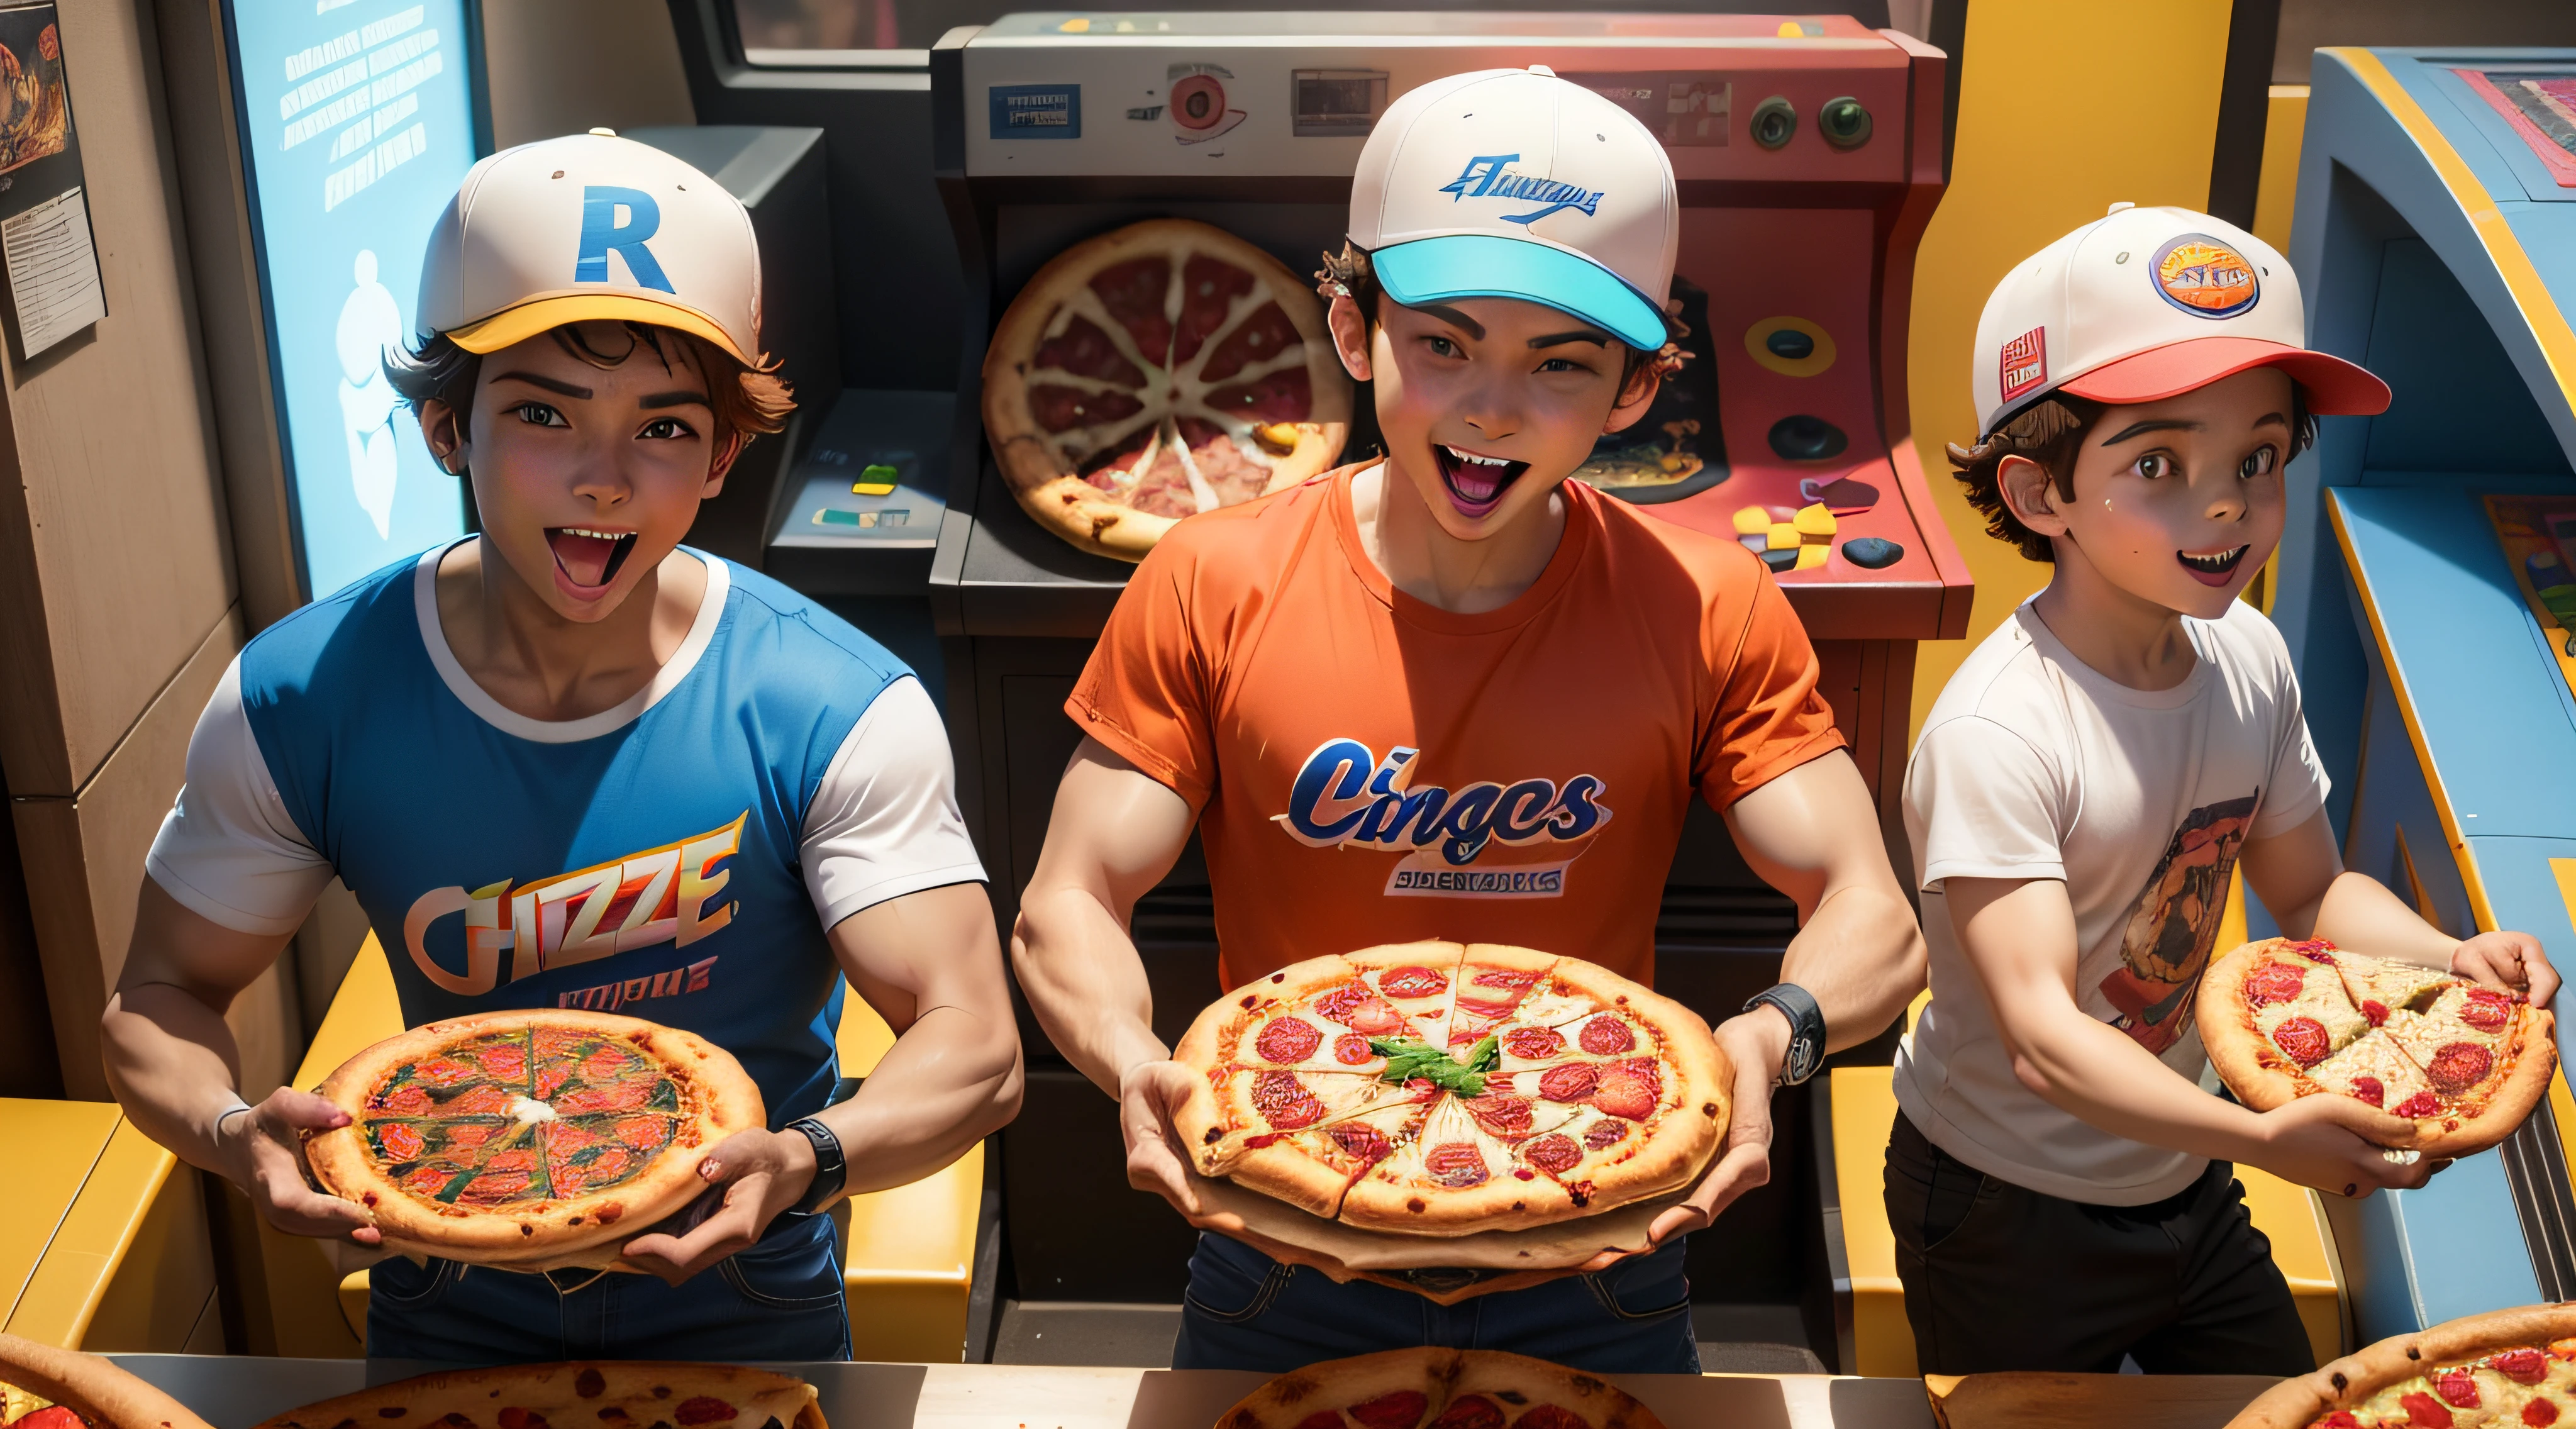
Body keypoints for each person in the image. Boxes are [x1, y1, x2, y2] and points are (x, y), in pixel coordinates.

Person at [1011, 67, 1925, 1375]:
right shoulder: (1210, 577)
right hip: (1283, 1216)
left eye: (1558, 364)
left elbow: (1870, 910)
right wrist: (1129, 1058)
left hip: (1596, 1219)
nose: (1492, 409)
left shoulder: (1704, 600)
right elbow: (1069, 896)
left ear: (1633, 387)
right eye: (1442, 343)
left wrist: (1765, 1034)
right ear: (1349, 326)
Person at [99, 131, 1022, 1362]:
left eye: (661, 427)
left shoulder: (833, 700)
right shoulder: (305, 693)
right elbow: (158, 997)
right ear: (444, 427)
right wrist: (227, 1127)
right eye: (543, 412)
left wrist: (809, 1158)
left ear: (721, 456)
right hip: (441, 1297)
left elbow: (975, 1040)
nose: (603, 479)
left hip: (749, 1299)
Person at [1889, 204, 2560, 1376]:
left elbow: (2310, 894)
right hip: (2007, 1200)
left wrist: (2446, 959)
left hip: (2186, 1170)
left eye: (2258, 458)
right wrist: (2261, 1138)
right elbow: (2044, 1039)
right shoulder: (2001, 733)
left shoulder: (2247, 656)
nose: (2226, 504)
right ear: (2039, 493)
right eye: (2159, 463)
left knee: (2273, 1403)